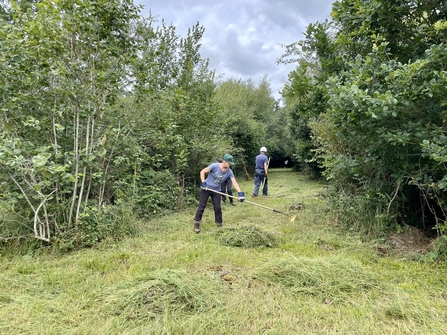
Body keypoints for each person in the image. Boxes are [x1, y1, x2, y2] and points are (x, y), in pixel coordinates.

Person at [193, 154, 245, 233]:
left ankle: (219, 224)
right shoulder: (215, 166)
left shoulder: (229, 171)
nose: (230, 165)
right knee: (202, 206)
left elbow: (234, 182)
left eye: (231, 164)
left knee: (217, 208)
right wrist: (203, 182)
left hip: (217, 191)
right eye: (229, 163)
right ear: (224, 161)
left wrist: (240, 193)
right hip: (206, 188)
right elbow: (202, 172)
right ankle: (196, 223)